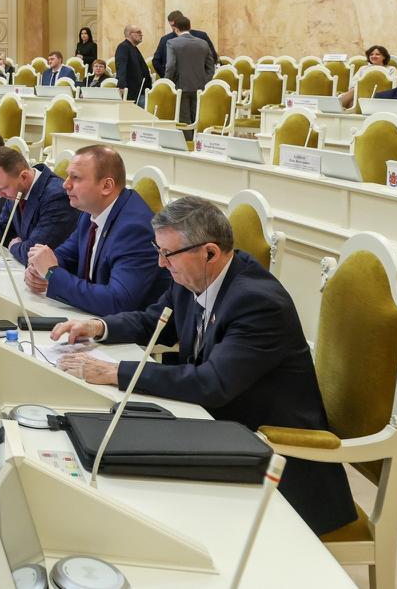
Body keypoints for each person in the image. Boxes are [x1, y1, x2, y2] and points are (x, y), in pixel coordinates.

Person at [50, 196, 356, 537]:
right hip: (221, 431)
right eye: (158, 251)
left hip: (278, 463)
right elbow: (155, 321)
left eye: (168, 254)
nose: (161, 264)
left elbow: (212, 383)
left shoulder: (258, 302)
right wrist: (97, 326)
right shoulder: (194, 277)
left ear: (209, 252)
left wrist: (114, 372)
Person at [23, 146, 170, 316]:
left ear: (106, 186)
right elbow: (66, 256)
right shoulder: (91, 210)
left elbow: (117, 302)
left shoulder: (135, 229)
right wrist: (38, 270)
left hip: (135, 328)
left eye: (76, 178)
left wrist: (52, 274)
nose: (65, 184)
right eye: (68, 176)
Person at [0, 147, 78, 264]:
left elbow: (34, 253)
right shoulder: (16, 188)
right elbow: (3, 224)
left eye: (3, 188)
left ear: (24, 176)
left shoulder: (56, 196)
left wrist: (14, 246)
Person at [165, 16, 215, 127]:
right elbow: (211, 67)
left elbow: (170, 66)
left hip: (180, 86)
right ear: (189, 27)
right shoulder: (203, 43)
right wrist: (205, 81)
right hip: (200, 86)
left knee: (184, 121)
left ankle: (187, 138)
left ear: (175, 29)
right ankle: (196, 137)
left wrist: (167, 84)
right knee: (197, 118)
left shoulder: (172, 43)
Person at [152, 10, 217, 78]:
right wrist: (167, 78)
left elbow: (213, 57)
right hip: (174, 81)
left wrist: (205, 78)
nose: (173, 28)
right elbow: (156, 61)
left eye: (174, 25)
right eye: (171, 25)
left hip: (199, 79)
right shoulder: (165, 40)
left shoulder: (201, 36)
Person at [115, 25, 152, 105]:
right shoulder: (123, 47)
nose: (141, 35)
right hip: (132, 92)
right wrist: (121, 86)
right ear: (129, 34)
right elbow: (121, 67)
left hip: (140, 91)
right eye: (138, 32)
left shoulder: (133, 47)